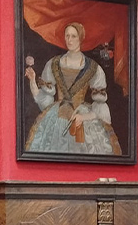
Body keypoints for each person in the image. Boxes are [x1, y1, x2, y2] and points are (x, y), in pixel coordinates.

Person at [23, 22, 120, 155]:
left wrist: (84, 117)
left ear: (80, 38)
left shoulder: (93, 68)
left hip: (82, 118)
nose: (69, 40)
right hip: (56, 118)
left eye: (73, 36)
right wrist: (33, 80)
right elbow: (45, 101)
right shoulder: (53, 63)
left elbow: (100, 106)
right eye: (67, 36)